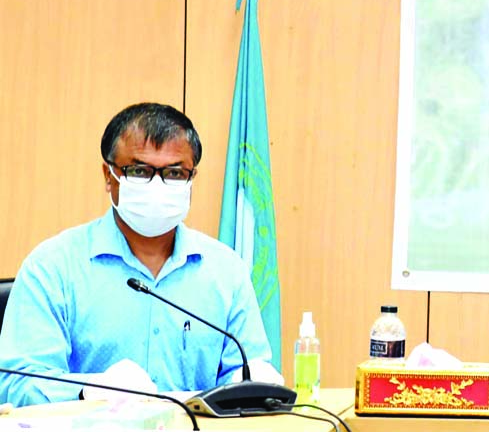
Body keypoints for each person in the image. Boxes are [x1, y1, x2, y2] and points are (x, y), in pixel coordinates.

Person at [0, 103, 282, 406]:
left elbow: (243, 375)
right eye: (139, 171)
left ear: (191, 179)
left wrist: (252, 383)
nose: (157, 185)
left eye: (174, 172)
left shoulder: (226, 271)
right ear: (108, 176)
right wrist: (88, 389)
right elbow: (14, 384)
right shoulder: (53, 266)